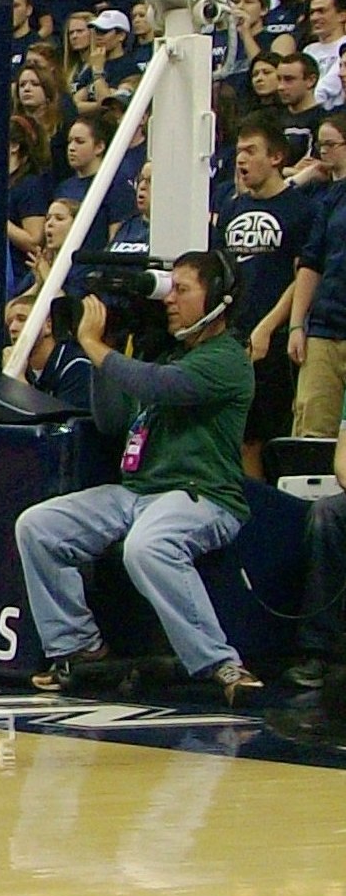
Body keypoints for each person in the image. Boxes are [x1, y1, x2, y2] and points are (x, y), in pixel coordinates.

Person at [17, 252, 263, 702]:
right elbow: (112, 421)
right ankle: (79, 648)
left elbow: (159, 387)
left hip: (203, 495)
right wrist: (108, 344)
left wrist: (95, 346)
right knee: (39, 526)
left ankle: (221, 663)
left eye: (182, 290)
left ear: (218, 300)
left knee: (148, 546)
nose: (170, 300)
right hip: (138, 493)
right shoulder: (160, 353)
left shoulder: (227, 358)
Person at [226, 114, 320, 480]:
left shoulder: (300, 210)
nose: (241, 160)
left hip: (274, 339)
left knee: (257, 440)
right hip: (234, 336)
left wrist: (267, 327)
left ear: (277, 157)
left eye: (251, 151)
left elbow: (303, 276)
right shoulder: (233, 208)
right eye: (238, 152)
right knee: (232, 437)